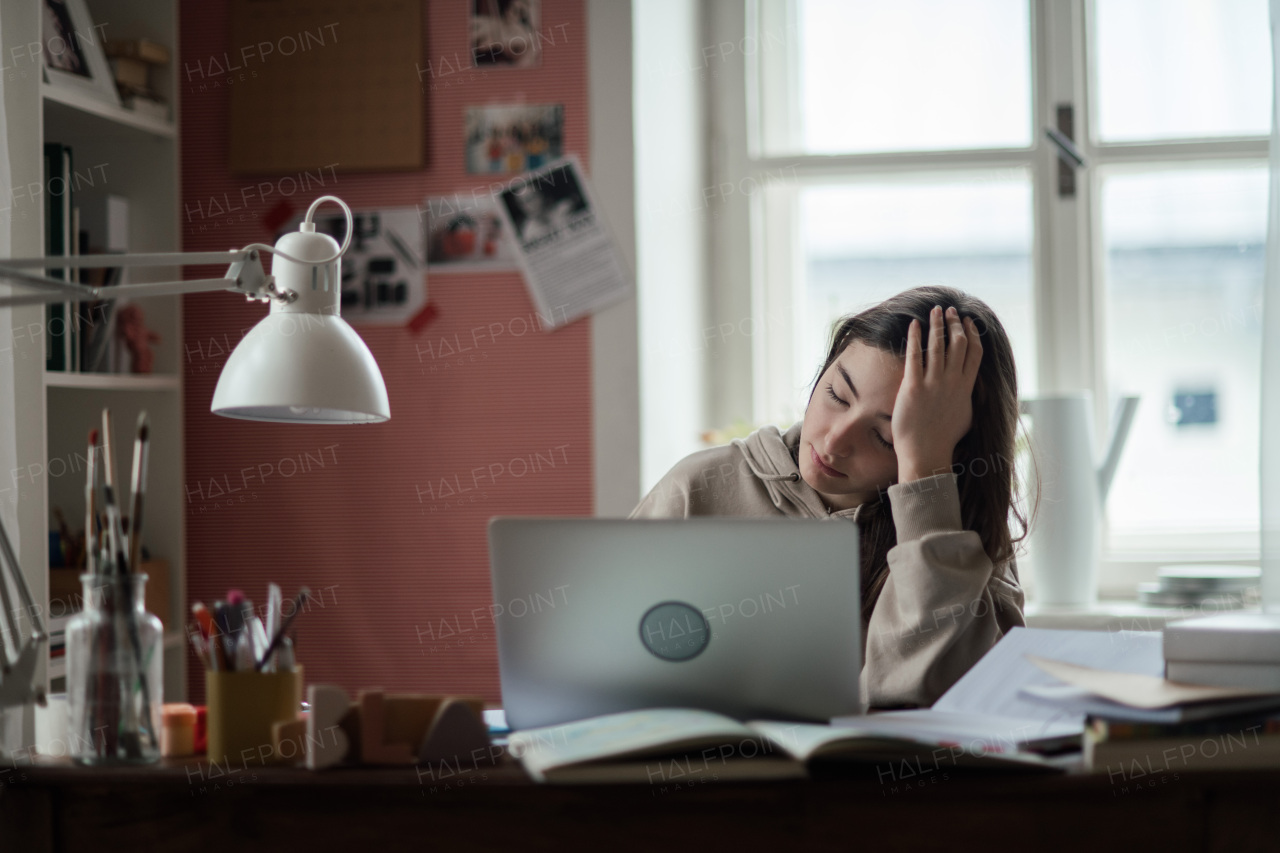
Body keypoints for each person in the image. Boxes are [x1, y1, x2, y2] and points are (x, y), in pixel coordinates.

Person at [631, 286, 1031, 709]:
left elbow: (933, 701)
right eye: (837, 395)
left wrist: (926, 478)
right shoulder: (699, 488)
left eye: (886, 436)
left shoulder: (963, 539)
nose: (834, 441)